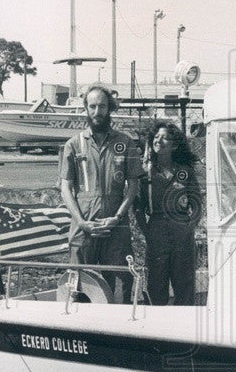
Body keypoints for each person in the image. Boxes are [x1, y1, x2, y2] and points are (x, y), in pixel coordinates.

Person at [59, 84, 142, 302]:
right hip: (83, 227)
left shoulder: (125, 143)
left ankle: (121, 331)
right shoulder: (73, 145)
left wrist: (117, 218)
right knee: (78, 286)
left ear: (110, 108)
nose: (97, 112)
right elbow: (66, 188)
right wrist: (81, 222)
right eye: (93, 106)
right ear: (86, 108)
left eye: (102, 107)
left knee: (122, 284)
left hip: (115, 227)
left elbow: (133, 186)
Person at [135, 121, 201, 305]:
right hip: (156, 229)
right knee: (156, 284)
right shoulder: (145, 173)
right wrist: (146, 231)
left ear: (174, 144)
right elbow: (138, 206)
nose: (159, 141)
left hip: (182, 229)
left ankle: (184, 326)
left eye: (164, 138)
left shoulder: (184, 172)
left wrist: (190, 227)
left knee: (184, 283)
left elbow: (197, 203)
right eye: (156, 137)